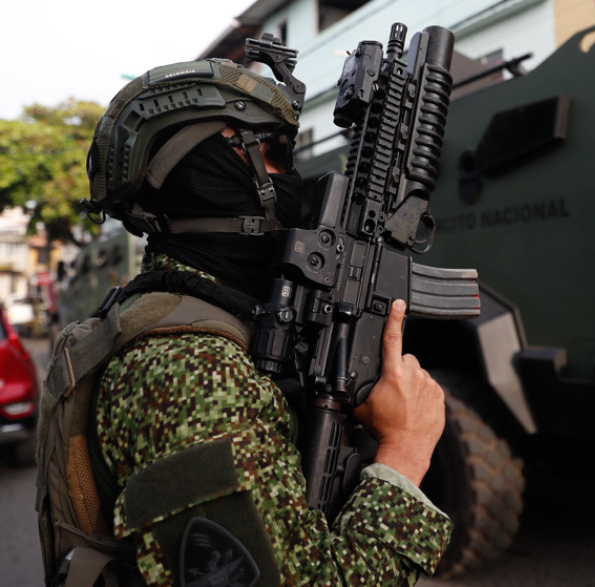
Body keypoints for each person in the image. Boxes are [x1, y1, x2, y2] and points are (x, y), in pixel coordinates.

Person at [74, 53, 452, 584]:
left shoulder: (188, 319)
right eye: (273, 152)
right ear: (203, 173)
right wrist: (405, 453)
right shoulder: (194, 373)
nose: (292, 177)